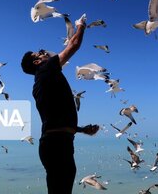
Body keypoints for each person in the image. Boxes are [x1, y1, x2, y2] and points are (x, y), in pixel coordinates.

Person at [21, 13, 100, 194]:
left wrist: (81, 130)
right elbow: (73, 46)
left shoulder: (43, 81)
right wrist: (81, 25)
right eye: (40, 53)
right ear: (37, 61)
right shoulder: (45, 69)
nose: (45, 52)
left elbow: (54, 119)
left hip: (56, 143)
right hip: (57, 145)